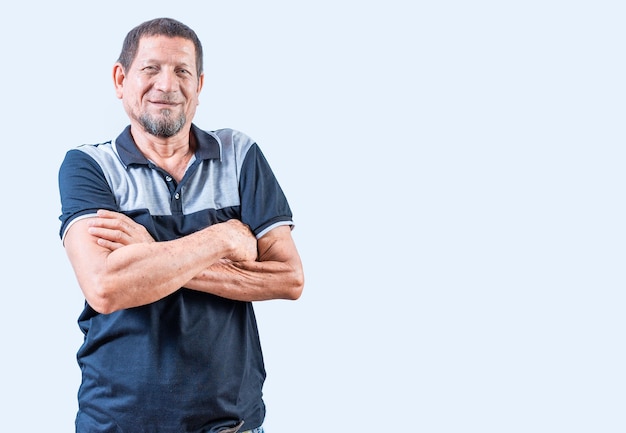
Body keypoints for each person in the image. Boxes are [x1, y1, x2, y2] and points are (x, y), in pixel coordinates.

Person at [58, 17, 304, 433]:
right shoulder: (89, 166)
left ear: (199, 86)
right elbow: (105, 287)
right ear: (121, 79)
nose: (167, 85)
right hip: (116, 422)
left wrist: (149, 253)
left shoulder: (239, 154)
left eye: (182, 71)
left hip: (232, 424)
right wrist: (223, 236)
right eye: (151, 69)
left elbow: (288, 279)